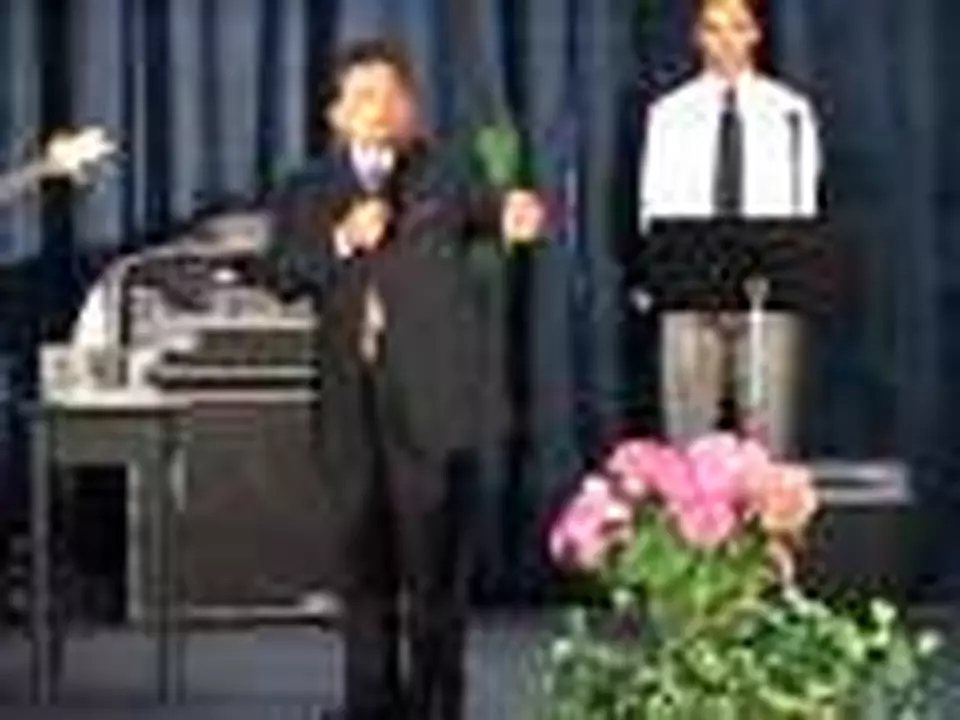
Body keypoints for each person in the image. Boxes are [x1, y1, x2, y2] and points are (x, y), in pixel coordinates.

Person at [264, 39, 544, 720]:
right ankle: (370, 705)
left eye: (392, 94)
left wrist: (514, 214)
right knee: (362, 571)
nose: (380, 108)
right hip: (350, 405)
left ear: (410, 106)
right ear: (336, 114)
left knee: (433, 574)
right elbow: (283, 274)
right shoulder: (307, 187)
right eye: (364, 96)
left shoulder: (446, 172)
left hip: (432, 402)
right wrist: (341, 240)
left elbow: (492, 212)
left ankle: (436, 704)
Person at [639, 0, 822, 455]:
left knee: (767, 441)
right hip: (690, 288)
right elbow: (652, 201)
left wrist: (790, 275)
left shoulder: (790, 111)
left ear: (756, 34)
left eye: (738, 27)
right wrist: (662, 275)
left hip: (765, 291)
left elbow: (804, 203)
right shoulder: (669, 112)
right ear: (696, 37)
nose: (725, 41)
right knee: (688, 442)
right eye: (713, 28)